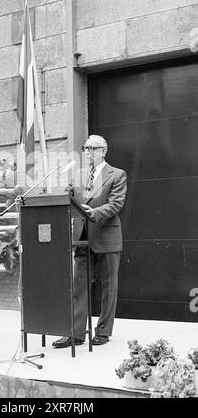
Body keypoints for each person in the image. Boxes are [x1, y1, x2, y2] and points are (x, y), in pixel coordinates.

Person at [52, 135, 127, 348]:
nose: (88, 152)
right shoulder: (78, 175)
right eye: (85, 148)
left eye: (92, 149)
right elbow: (72, 202)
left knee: (108, 286)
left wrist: (94, 212)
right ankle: (76, 334)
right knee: (79, 287)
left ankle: (103, 331)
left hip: (107, 237)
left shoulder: (117, 174)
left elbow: (116, 204)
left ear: (103, 151)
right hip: (82, 239)